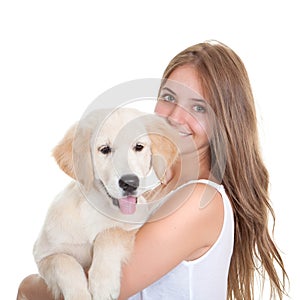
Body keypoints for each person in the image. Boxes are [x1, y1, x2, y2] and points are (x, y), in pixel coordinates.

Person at [17, 40, 288, 300]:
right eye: (169, 97)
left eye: (198, 107)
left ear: (225, 121)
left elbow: (106, 291)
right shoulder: (157, 189)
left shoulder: (198, 202)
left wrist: (27, 288)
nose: (174, 116)